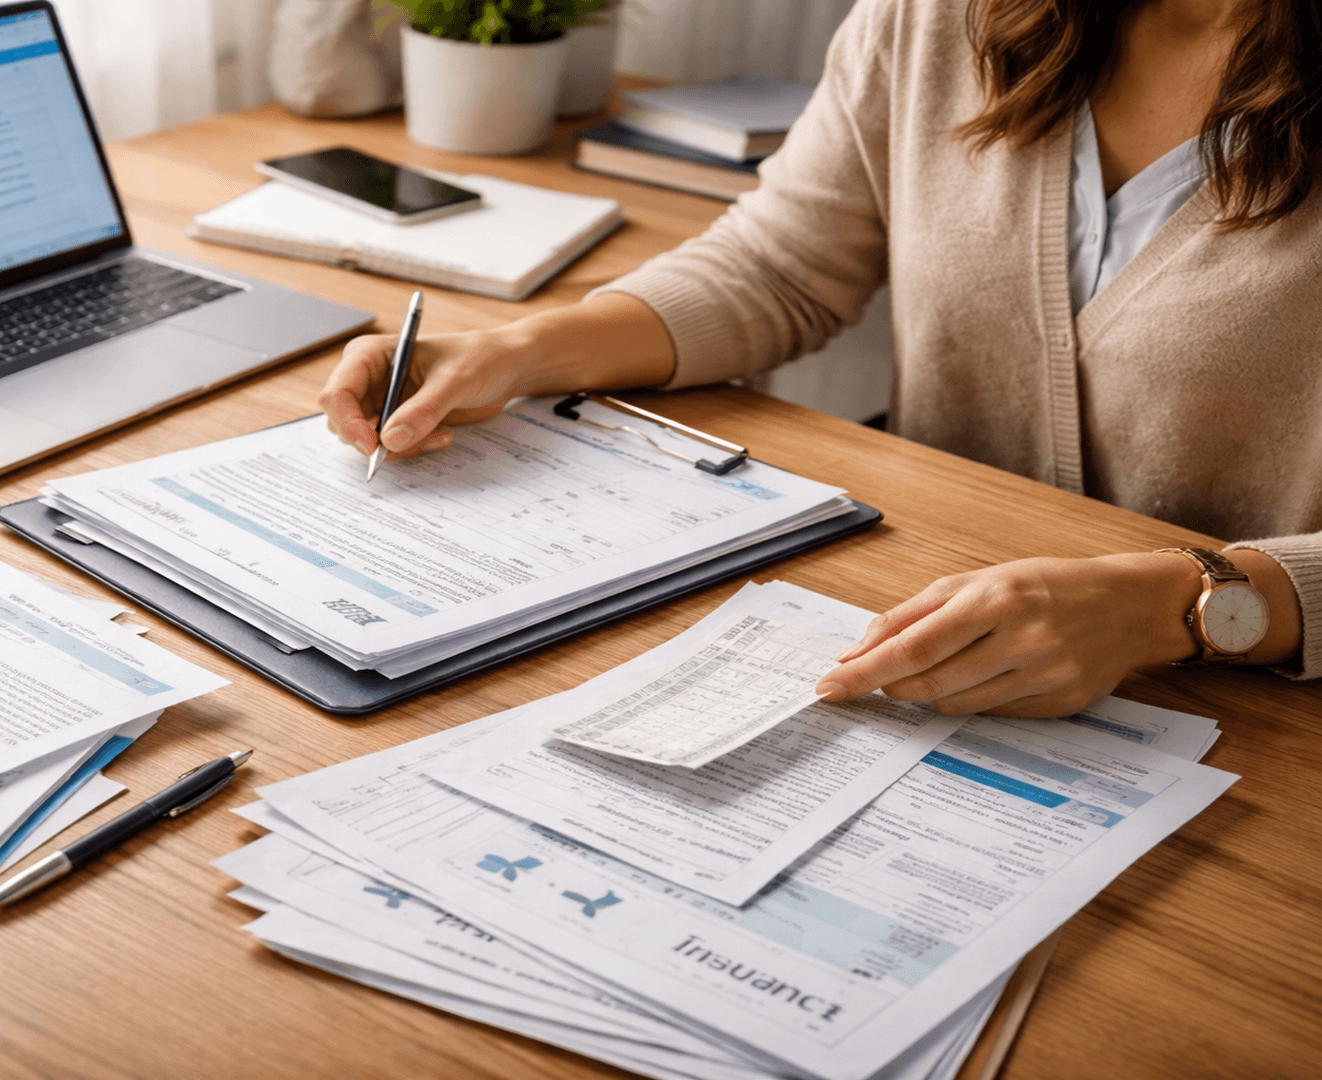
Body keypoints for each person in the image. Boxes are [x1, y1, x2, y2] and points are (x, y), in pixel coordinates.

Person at [319, 0, 1321, 717]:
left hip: (1248, 703)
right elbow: (781, 265)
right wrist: (518, 352)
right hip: (924, 619)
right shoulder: (936, 21)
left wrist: (1184, 605)